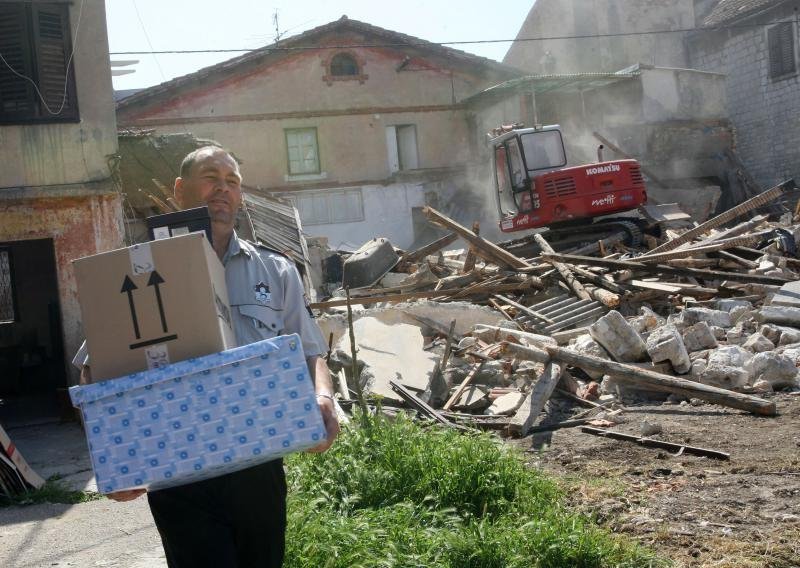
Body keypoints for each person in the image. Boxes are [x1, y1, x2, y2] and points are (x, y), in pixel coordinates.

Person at [92, 145, 340, 567]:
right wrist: (114, 460)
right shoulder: (138, 271)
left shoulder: (276, 271)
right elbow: (97, 369)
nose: (222, 189)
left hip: (258, 465)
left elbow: (311, 353)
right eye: (210, 177)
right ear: (180, 189)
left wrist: (324, 398)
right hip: (178, 470)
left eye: (232, 182)